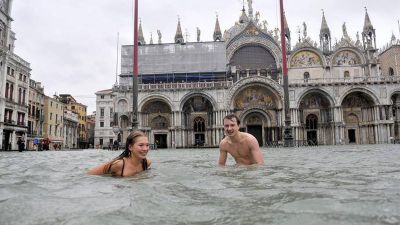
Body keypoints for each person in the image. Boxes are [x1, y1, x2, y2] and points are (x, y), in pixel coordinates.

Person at [87, 131, 151, 177]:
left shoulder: (147, 163)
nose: (145, 149)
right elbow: (90, 174)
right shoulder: (119, 164)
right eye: (141, 145)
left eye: (147, 145)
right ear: (130, 147)